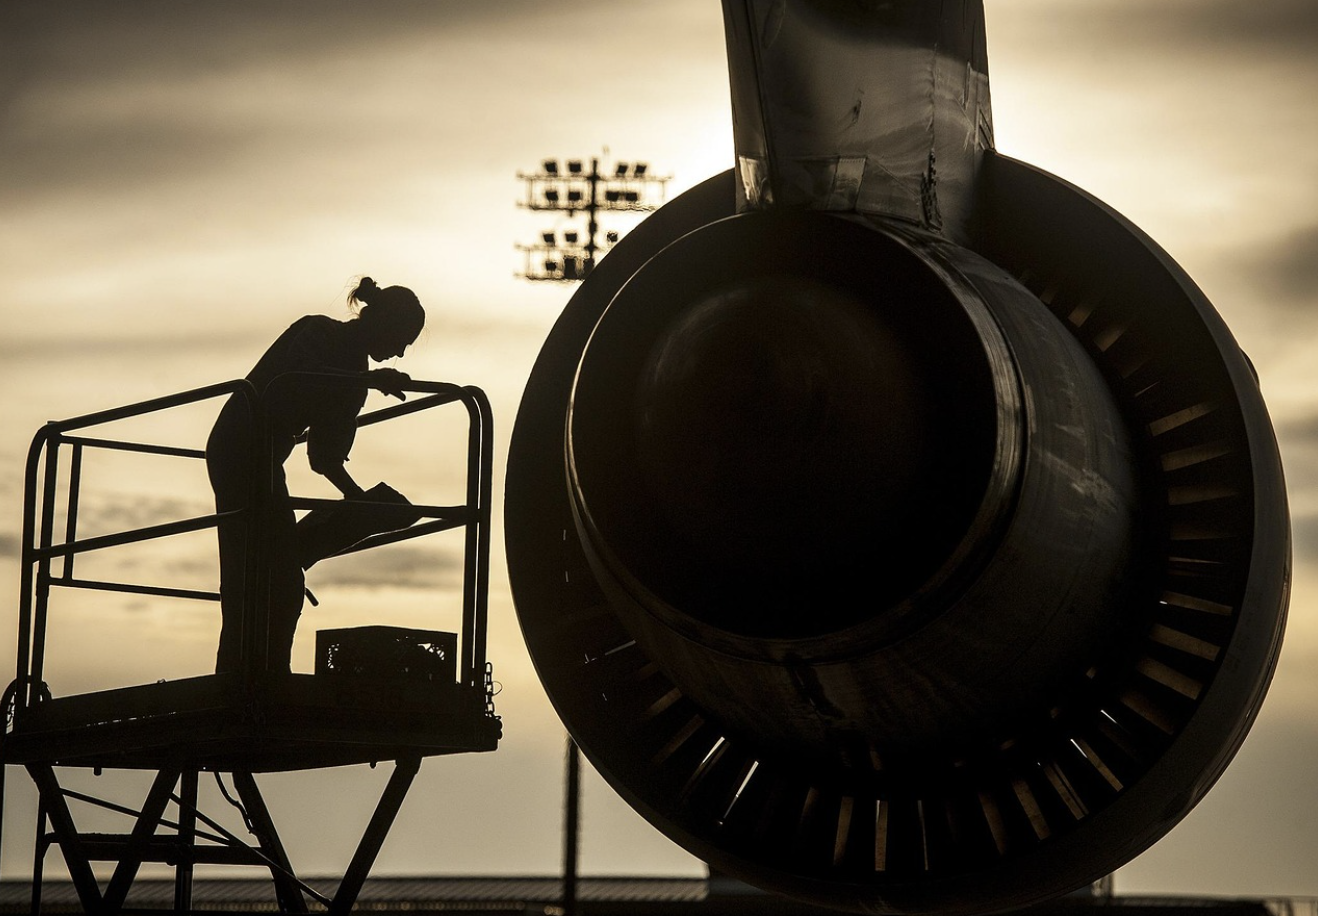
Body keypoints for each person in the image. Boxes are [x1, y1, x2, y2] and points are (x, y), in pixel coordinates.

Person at [206, 277, 424, 674]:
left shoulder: (356, 380)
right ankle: (250, 675)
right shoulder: (318, 330)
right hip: (239, 447)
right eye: (402, 339)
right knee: (266, 577)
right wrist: (368, 380)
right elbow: (302, 372)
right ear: (381, 322)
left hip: (263, 459)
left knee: (270, 575)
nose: (400, 353)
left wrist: (358, 501)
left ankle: (254, 670)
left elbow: (324, 457)